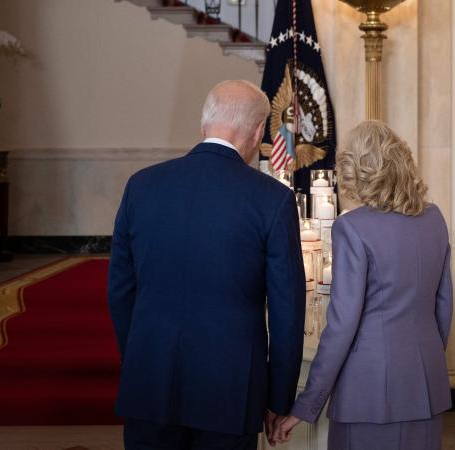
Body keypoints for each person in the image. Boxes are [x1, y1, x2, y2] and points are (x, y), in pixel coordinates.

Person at [107, 79, 306, 450]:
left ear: (204, 125)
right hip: (230, 391)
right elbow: (287, 313)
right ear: (259, 131)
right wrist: (278, 399)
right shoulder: (273, 199)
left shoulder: (141, 186)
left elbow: (120, 292)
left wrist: (140, 357)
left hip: (149, 381)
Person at [273, 120, 453, 450]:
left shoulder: (352, 228)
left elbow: (341, 326)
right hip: (424, 384)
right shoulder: (435, 218)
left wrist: (306, 404)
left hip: (367, 391)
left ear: (355, 171)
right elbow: (443, 308)